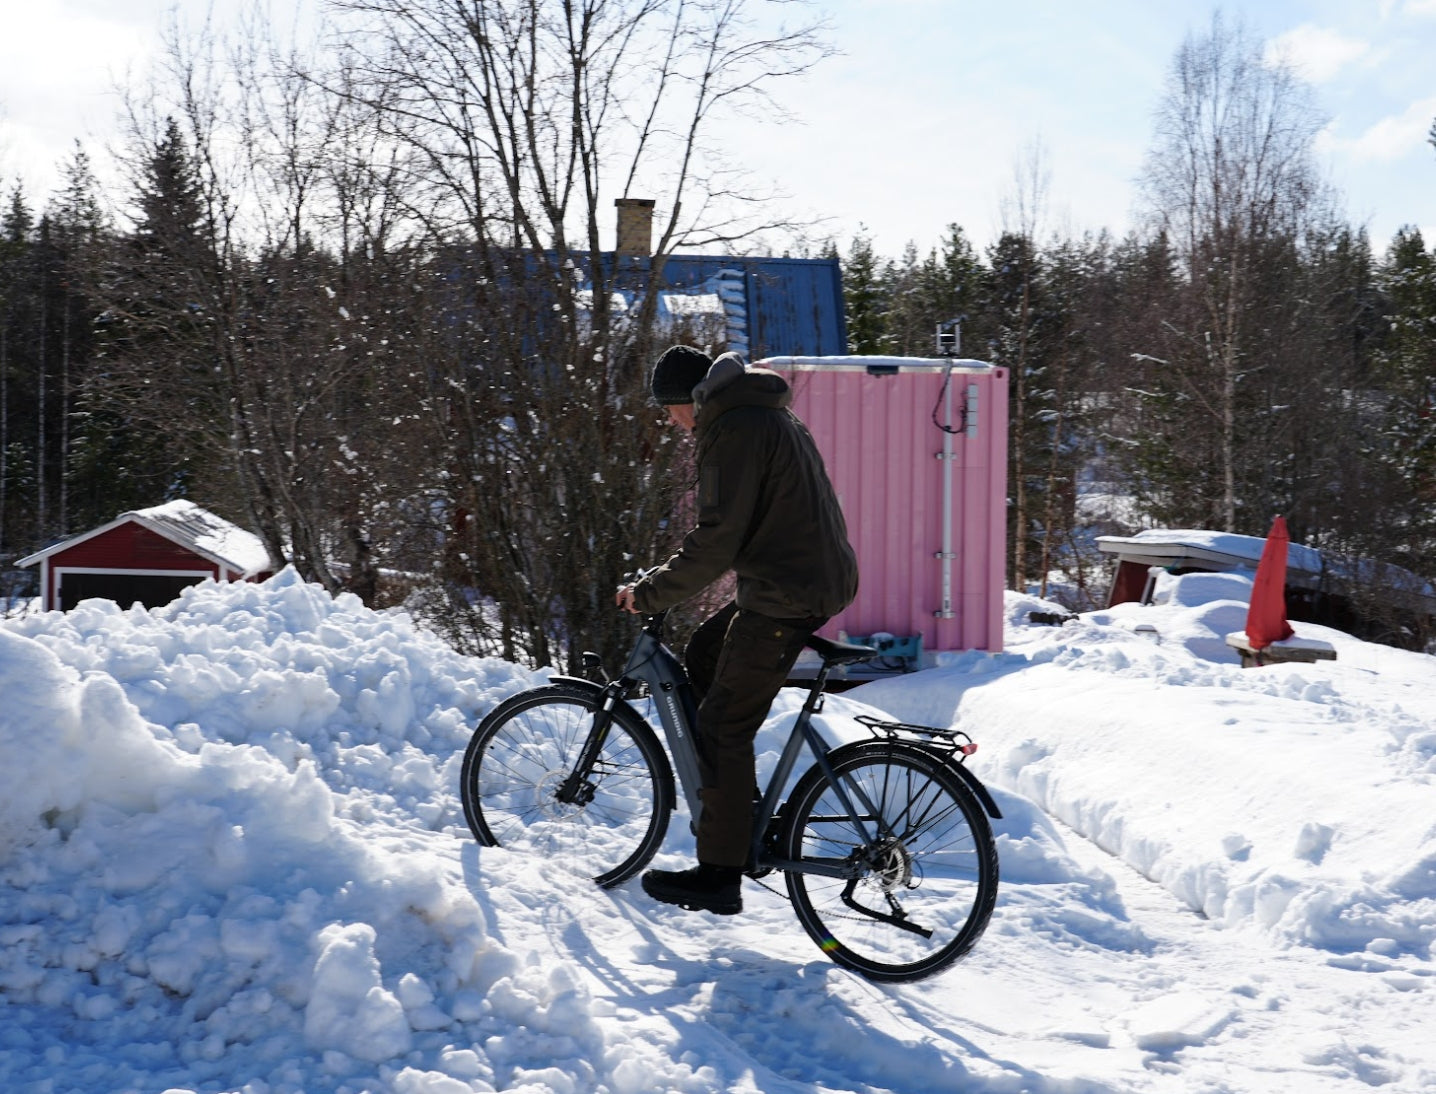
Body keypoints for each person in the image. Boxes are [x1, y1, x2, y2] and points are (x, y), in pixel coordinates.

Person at [615, 344, 859, 915]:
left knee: (725, 724)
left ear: (691, 401)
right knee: (702, 657)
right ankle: (736, 808)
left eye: (669, 410)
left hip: (786, 590)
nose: (672, 423)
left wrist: (651, 591)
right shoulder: (764, 413)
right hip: (801, 579)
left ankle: (720, 874)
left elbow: (717, 538)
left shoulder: (733, 428)